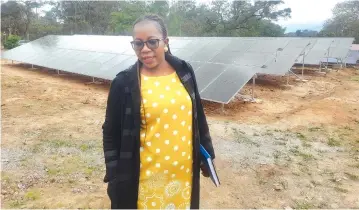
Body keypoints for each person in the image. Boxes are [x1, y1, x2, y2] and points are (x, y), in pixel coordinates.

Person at [102, 14, 216, 209]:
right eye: (138, 44)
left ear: (166, 41)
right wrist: (114, 175)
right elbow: (110, 132)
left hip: (183, 173)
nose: (145, 49)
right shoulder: (124, 82)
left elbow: (197, 114)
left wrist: (208, 154)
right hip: (146, 179)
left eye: (152, 42)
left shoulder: (184, 70)